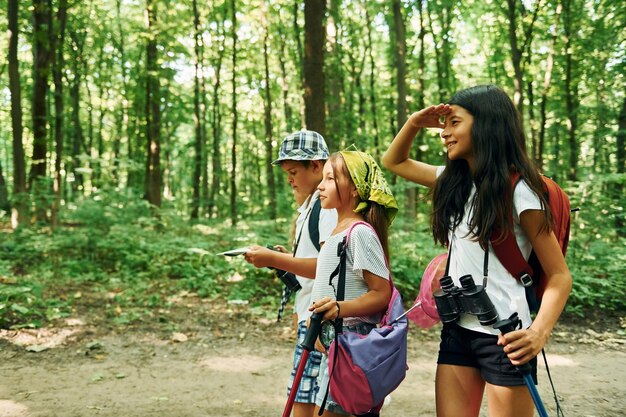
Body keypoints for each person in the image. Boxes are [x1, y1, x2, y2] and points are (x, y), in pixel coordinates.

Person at [381, 84, 572, 417]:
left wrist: (538, 334)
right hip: (458, 329)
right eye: (444, 125)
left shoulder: (521, 191)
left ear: (485, 124)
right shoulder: (453, 182)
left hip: (507, 337)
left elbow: (559, 275)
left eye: (454, 122)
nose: (444, 133)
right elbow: (394, 161)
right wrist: (414, 122)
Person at [243, 130, 338, 417]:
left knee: (309, 403)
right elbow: (312, 262)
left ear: (316, 166)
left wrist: (274, 259)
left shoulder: (326, 208)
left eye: (294, 171)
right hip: (310, 317)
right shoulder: (310, 207)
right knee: (303, 399)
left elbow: (329, 266)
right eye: (287, 172)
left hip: (321, 320)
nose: (289, 179)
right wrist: (287, 259)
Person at [308, 150, 398, 417]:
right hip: (335, 343)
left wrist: (339, 308)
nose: (320, 186)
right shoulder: (337, 231)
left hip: (351, 344)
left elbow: (382, 293)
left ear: (356, 189)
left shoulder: (358, 233)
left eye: (330, 179)